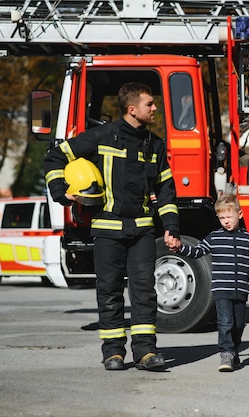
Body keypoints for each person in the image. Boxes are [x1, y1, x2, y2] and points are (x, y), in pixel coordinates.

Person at [44, 82, 181, 371]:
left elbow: (166, 189)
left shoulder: (155, 145)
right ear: (132, 109)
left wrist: (171, 226)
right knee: (109, 290)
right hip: (107, 230)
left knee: (145, 291)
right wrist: (61, 193)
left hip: (142, 230)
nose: (155, 108)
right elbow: (56, 156)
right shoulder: (101, 136)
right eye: (149, 104)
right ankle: (113, 353)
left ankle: (145, 352)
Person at [172, 194, 249, 372]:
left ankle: (234, 350)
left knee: (239, 324)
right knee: (225, 322)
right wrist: (180, 247)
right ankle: (226, 353)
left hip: (241, 289)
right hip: (222, 289)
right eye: (222, 218)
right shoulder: (213, 238)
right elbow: (197, 251)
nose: (226, 221)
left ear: (240, 214)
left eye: (229, 217)